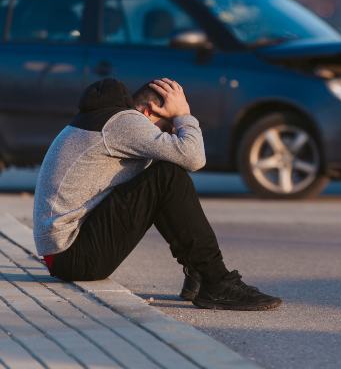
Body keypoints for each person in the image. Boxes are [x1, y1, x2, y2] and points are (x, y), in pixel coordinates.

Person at [33, 77, 281, 311]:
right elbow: (194, 158)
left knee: (161, 171)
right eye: (167, 127)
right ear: (149, 111)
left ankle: (199, 274)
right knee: (167, 174)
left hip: (65, 255)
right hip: (74, 256)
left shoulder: (101, 120)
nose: (168, 134)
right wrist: (183, 116)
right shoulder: (124, 122)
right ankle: (215, 280)